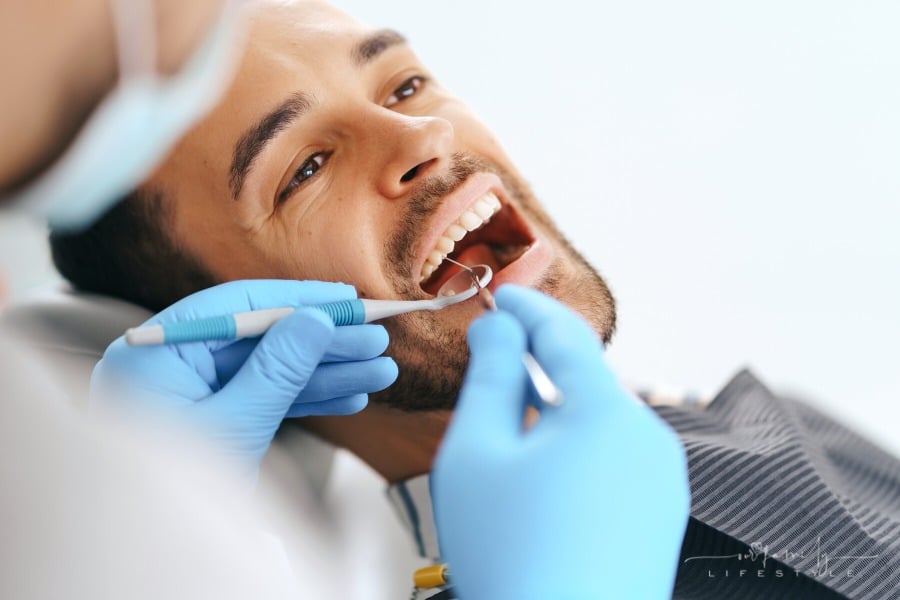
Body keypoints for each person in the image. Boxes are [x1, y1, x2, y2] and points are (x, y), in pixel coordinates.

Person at [48, 1, 900, 598]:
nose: (421, 137)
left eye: (405, 86)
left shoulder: (787, 422)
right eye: (305, 169)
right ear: (251, 319)